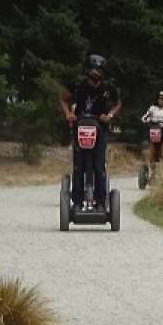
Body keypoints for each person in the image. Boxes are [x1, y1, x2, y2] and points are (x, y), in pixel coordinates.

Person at [58, 53, 122, 211]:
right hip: (80, 127)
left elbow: (118, 103)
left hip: (100, 128)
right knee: (78, 167)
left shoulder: (108, 87)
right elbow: (63, 98)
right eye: (93, 69)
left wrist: (110, 115)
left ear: (103, 72)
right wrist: (68, 114)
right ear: (87, 70)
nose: (95, 72)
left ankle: (100, 203)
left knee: (99, 166)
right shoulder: (78, 84)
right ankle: (78, 203)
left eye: (98, 70)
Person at [141, 90, 163, 167]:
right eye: (159, 99)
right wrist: (147, 120)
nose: (161, 100)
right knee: (150, 150)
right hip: (153, 130)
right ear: (157, 99)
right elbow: (145, 117)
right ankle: (151, 166)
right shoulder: (152, 108)